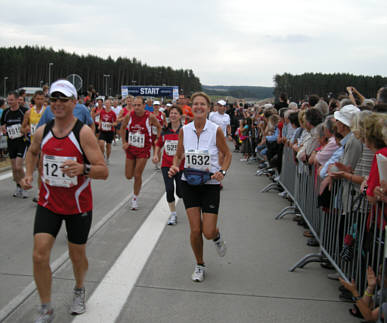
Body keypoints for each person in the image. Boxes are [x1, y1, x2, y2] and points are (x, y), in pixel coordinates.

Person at [20, 79, 108, 322]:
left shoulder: (83, 133)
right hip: (49, 203)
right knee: (39, 255)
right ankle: (46, 306)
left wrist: (82, 168)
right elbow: (33, 153)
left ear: (74, 102)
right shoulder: (43, 131)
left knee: (76, 255)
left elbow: (103, 171)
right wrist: (29, 174)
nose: (57, 104)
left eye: (63, 100)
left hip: (77, 206)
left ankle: (79, 288)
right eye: (54, 100)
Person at [168, 91, 232, 282]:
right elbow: (179, 155)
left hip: (210, 184)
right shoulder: (184, 130)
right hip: (190, 183)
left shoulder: (215, 130)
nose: (198, 107)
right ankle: (200, 264)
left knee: (208, 231)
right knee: (195, 230)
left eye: (202, 104)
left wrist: (223, 171)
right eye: (195, 104)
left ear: (208, 108)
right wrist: (173, 165)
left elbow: (227, 154)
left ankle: (217, 236)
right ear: (191, 107)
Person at [121, 96, 162, 210]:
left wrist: (157, 139)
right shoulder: (129, 115)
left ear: (144, 105)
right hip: (131, 149)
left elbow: (159, 127)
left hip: (143, 150)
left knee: (137, 175)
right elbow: (123, 128)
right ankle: (135, 182)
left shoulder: (150, 116)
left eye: (139, 105)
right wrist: (124, 142)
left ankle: (135, 199)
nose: (136, 108)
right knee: (129, 176)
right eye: (135, 105)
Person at [152, 105, 184, 225]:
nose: (173, 115)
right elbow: (159, 144)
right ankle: (173, 214)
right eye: (171, 113)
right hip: (166, 165)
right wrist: (156, 155)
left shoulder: (184, 130)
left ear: (180, 116)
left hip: (181, 166)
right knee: (169, 189)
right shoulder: (165, 130)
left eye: (175, 113)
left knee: (180, 193)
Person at [0, 91, 29, 198]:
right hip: (11, 142)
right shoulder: (6, 112)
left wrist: (24, 129)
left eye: (12, 100)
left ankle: (24, 186)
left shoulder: (24, 111)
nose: (9, 102)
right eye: (8, 100)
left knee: (18, 166)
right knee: (14, 168)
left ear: (17, 100)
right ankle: (18, 186)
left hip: (22, 142)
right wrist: (3, 128)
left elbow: (30, 125)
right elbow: (3, 124)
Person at [21, 90, 47, 202]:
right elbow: (23, 127)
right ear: (34, 99)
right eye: (38, 99)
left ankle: (40, 192)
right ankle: (40, 191)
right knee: (40, 169)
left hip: (46, 144)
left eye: (42, 99)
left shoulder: (47, 111)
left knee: (42, 169)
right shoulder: (29, 112)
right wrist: (25, 129)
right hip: (34, 145)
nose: (40, 101)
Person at [98, 99, 117, 165]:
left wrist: (111, 124)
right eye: (105, 103)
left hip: (109, 131)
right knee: (101, 144)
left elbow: (115, 123)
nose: (107, 105)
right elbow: (100, 119)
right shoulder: (102, 112)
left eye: (108, 103)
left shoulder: (113, 113)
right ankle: (102, 156)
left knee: (108, 146)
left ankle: (108, 158)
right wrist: (99, 125)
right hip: (103, 130)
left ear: (110, 104)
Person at [151, 100, 166, 169]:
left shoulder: (162, 114)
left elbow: (165, 122)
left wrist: (166, 128)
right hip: (152, 133)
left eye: (157, 105)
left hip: (160, 133)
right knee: (154, 148)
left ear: (159, 106)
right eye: (155, 105)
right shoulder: (150, 114)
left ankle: (158, 162)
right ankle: (156, 162)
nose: (156, 107)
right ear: (153, 106)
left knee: (159, 148)